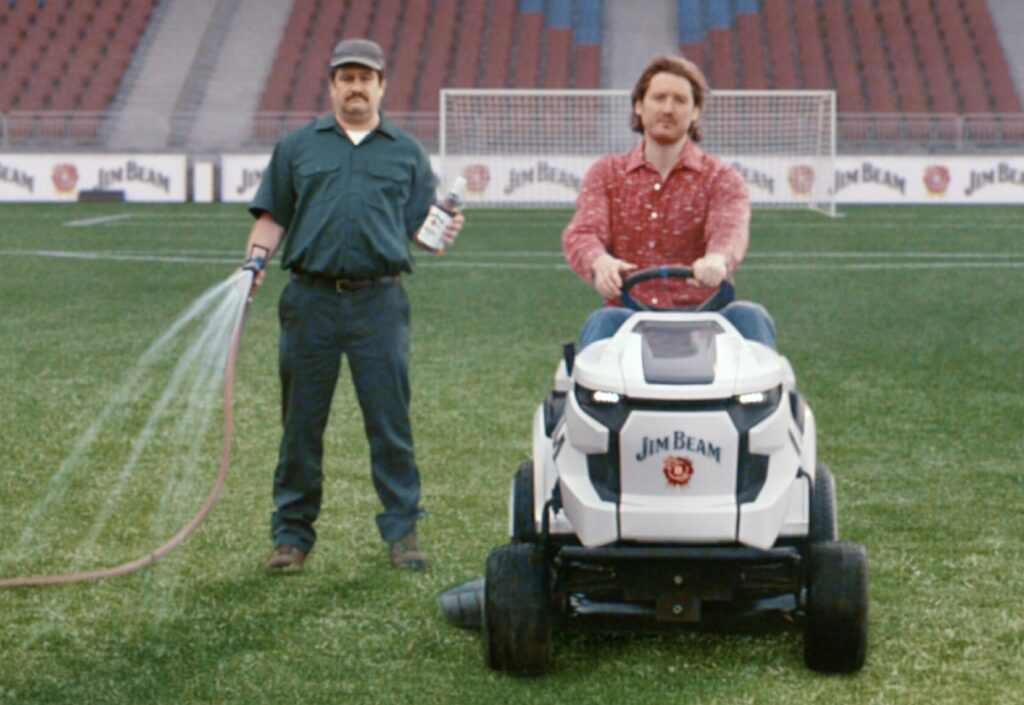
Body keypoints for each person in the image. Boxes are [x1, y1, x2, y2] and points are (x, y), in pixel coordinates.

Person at [241, 38, 464, 573]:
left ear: (382, 86)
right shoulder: (297, 147)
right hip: (309, 301)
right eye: (346, 77)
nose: (356, 87)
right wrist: (253, 263)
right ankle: (291, 536)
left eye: (366, 78)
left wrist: (442, 231)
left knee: (389, 422)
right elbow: (272, 216)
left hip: (379, 303)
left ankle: (403, 532)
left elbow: (421, 234)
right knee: (300, 425)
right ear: (333, 86)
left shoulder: (406, 152)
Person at [562, 55, 776, 350]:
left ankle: (768, 394)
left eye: (679, 100)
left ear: (695, 111)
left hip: (706, 314)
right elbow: (583, 232)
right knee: (602, 322)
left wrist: (717, 259)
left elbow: (729, 229)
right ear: (639, 105)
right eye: (658, 98)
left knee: (751, 316)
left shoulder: (722, 178)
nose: (667, 108)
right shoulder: (606, 173)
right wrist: (599, 262)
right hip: (629, 314)